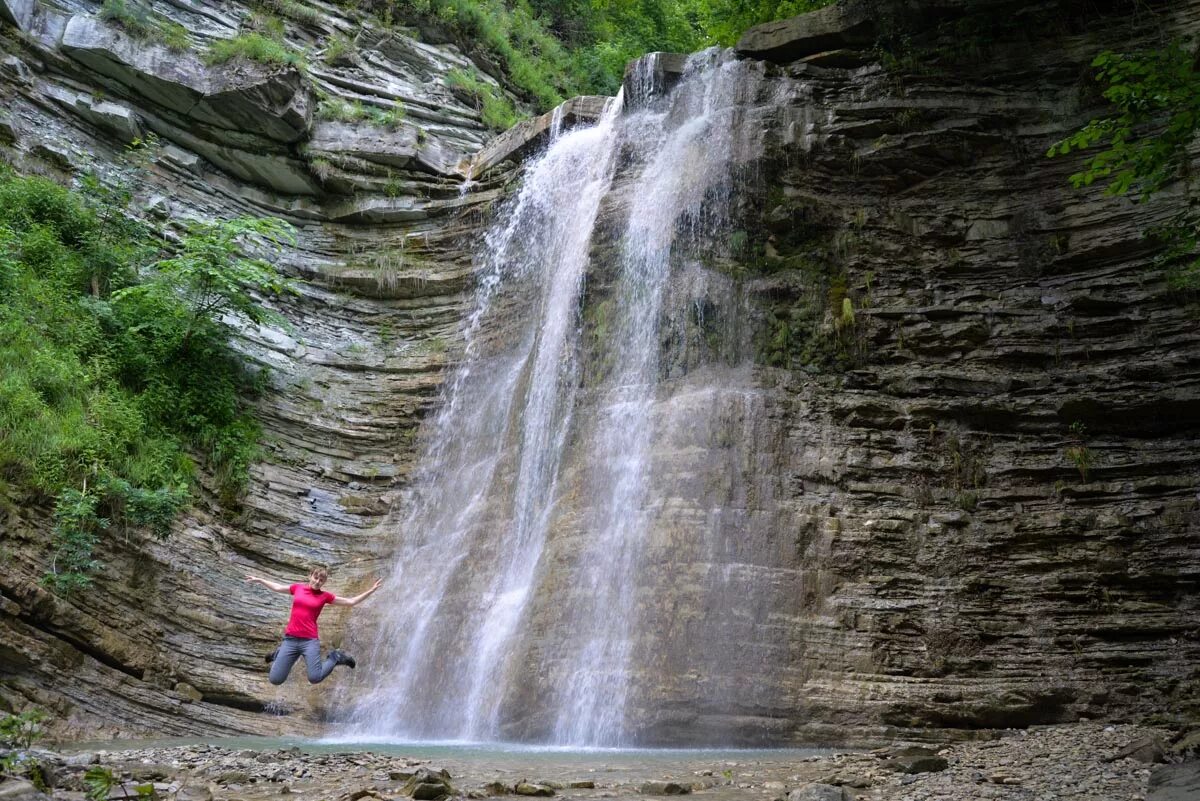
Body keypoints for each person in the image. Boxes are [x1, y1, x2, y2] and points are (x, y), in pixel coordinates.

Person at [245, 567, 382, 686]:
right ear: (310, 576)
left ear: (324, 582)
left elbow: (350, 601)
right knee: (275, 679)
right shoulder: (297, 588)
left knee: (315, 677)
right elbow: (278, 587)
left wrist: (371, 590)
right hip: (290, 640)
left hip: (309, 641)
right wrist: (259, 580)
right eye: (315, 577)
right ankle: (278, 653)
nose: (317, 581)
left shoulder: (325, 596)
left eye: (321, 580)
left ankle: (335, 657)